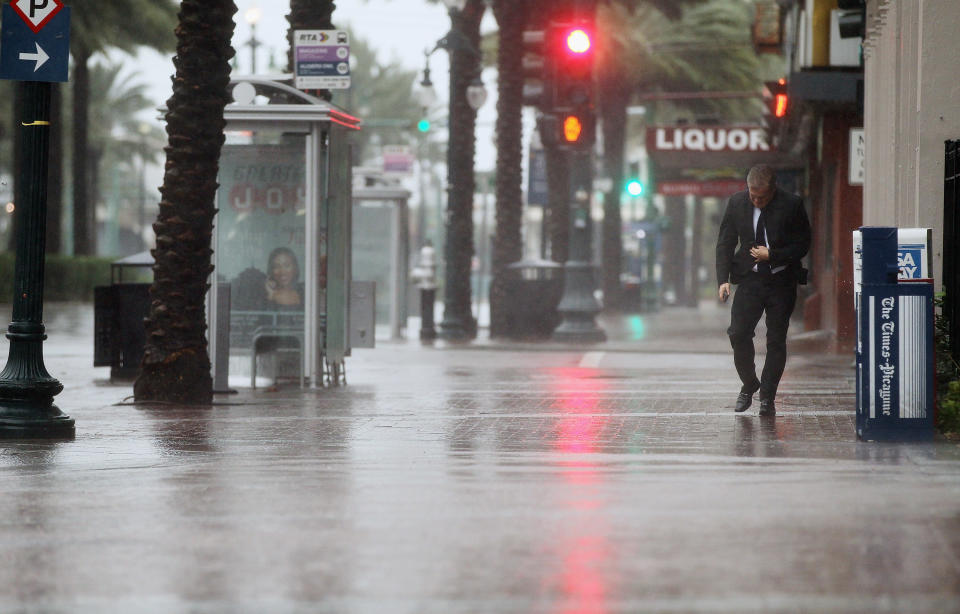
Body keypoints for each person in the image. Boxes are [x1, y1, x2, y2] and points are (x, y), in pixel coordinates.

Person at [716, 164, 811, 416]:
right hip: (750, 280)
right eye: (752, 195)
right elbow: (725, 241)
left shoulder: (792, 205)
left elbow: (803, 243)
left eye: (762, 197)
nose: (756, 200)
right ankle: (749, 384)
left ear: (773, 190)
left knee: (776, 340)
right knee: (738, 333)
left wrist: (774, 255)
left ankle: (767, 396)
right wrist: (722, 279)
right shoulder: (737, 203)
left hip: (781, 281)